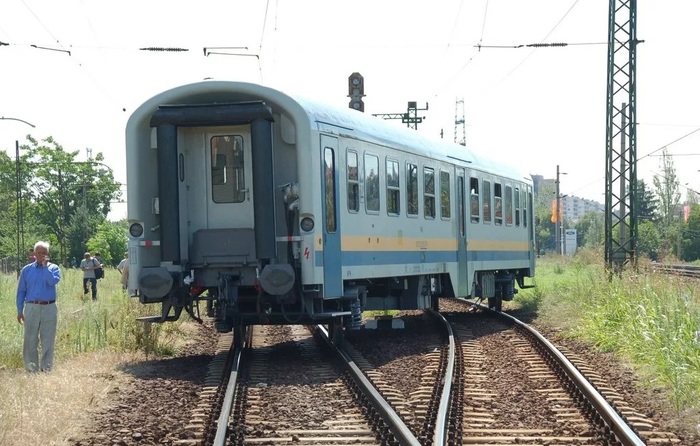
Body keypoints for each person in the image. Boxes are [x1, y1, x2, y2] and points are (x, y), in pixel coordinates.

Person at [16, 241, 62, 373]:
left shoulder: (54, 268)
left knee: (48, 338)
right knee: (30, 339)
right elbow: (21, 291)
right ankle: (31, 369)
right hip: (31, 307)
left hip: (49, 307)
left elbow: (52, 281)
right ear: (34, 254)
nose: (41, 255)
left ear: (48, 254)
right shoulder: (26, 270)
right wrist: (19, 310)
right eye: (39, 252)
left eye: (44, 253)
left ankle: (46, 368)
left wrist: (45, 266)